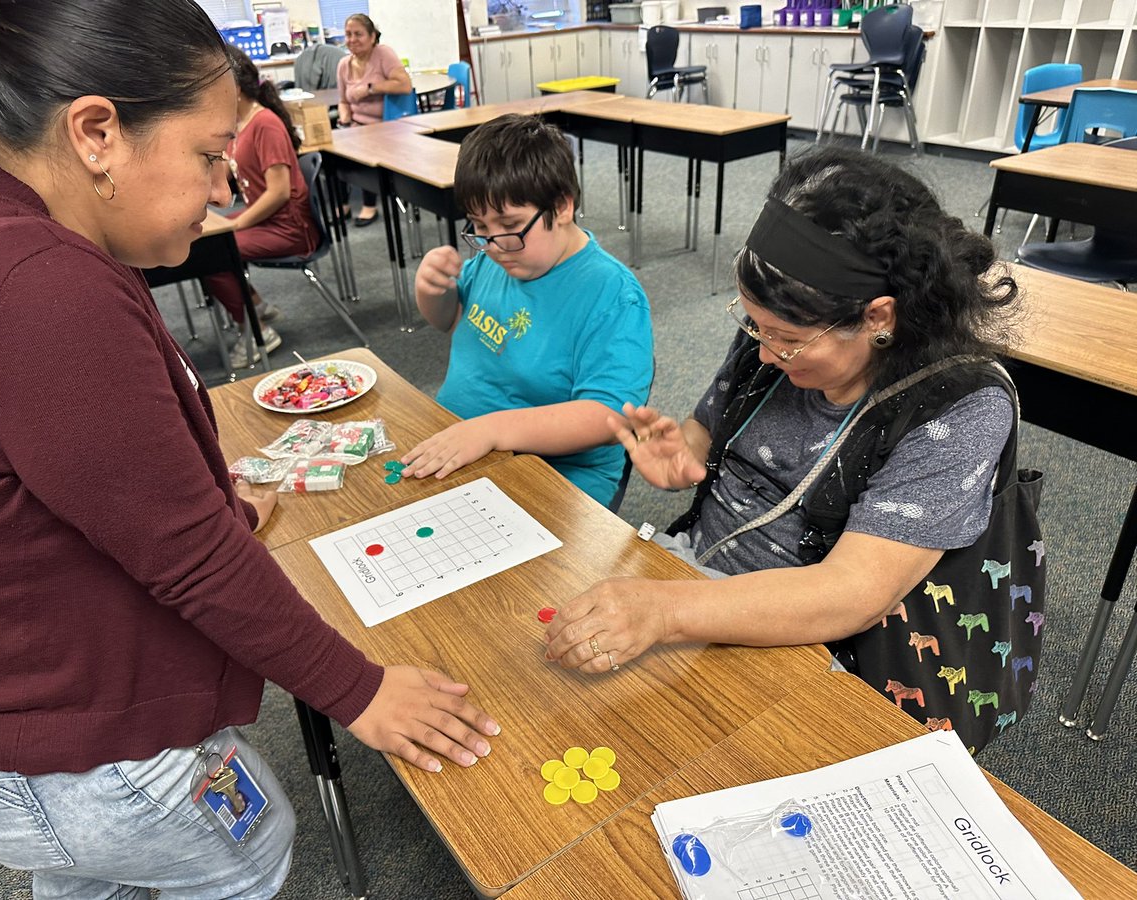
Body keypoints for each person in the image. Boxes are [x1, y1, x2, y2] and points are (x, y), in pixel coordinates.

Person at [0, 1, 498, 896]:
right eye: (208, 155)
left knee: (87, 878)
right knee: (249, 847)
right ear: (95, 132)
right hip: (64, 749)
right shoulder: (40, 289)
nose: (222, 191)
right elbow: (193, 563)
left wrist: (196, 493)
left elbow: (48, 468)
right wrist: (361, 693)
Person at [544, 145, 1024, 678]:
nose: (766, 353)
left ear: (878, 317)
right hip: (694, 590)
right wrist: (687, 453)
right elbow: (709, 429)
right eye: (755, 326)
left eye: (787, 340)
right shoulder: (774, 333)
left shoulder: (959, 409)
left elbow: (852, 594)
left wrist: (666, 610)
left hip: (815, 647)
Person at [405, 114, 655, 509]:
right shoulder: (497, 257)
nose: (493, 244)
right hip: (463, 444)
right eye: (478, 227)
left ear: (562, 207)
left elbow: (609, 418)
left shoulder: (612, 296)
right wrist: (431, 291)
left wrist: (491, 431)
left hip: (552, 477)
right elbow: (450, 320)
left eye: (510, 225)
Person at [203, 44, 320, 367]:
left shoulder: (265, 124)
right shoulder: (238, 126)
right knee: (206, 243)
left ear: (235, 90)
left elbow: (279, 193)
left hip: (289, 227)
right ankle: (254, 304)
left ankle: (257, 329)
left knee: (213, 253)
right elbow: (227, 172)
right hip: (268, 221)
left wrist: (236, 224)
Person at [335, 13, 411, 226]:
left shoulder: (383, 54)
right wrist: (345, 120)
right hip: (356, 126)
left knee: (364, 148)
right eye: (348, 34)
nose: (352, 39)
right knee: (331, 150)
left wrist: (370, 89)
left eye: (358, 34)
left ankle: (369, 205)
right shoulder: (343, 64)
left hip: (385, 125)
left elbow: (404, 85)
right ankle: (343, 204)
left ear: (372, 36)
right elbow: (343, 101)